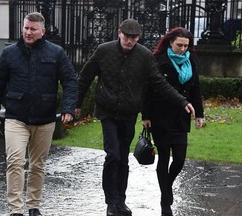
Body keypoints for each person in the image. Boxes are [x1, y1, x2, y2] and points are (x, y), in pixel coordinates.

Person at [75, 19, 195, 216]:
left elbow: (159, 83)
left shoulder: (145, 56)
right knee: (112, 154)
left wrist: (182, 101)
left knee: (123, 157)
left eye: (133, 38)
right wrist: (77, 104)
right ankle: (111, 201)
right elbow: (85, 76)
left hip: (129, 114)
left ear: (138, 38)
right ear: (119, 33)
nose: (129, 41)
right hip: (107, 111)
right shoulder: (104, 50)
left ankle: (121, 200)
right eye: (126, 36)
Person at [0, 12, 78, 216]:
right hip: (15, 118)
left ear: (42, 31)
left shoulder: (56, 53)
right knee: (15, 161)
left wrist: (68, 108)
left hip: (45, 119)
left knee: (37, 164)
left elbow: (70, 81)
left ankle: (33, 205)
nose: (28, 32)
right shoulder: (9, 53)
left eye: (33, 29)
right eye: (26, 28)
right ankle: (15, 209)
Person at [143, 27, 204, 216]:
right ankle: (165, 202)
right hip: (160, 115)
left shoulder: (191, 59)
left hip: (181, 116)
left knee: (179, 159)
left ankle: (167, 188)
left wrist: (200, 114)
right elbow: (148, 88)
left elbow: (195, 88)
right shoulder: (158, 60)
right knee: (163, 158)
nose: (183, 49)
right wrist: (145, 115)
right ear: (170, 42)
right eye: (179, 45)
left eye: (186, 46)